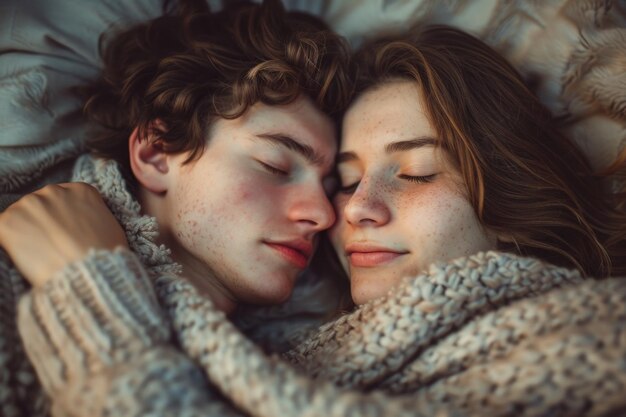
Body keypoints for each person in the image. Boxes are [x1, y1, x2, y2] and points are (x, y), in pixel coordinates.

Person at [3, 25, 626, 417]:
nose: (342, 210)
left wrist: (88, 293)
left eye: (414, 172)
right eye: (347, 179)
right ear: (155, 152)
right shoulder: (281, 356)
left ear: (513, 193)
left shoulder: (589, 338)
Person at [0, 0, 353, 416]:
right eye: (275, 166)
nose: (324, 215)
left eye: (334, 188)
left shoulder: (314, 368)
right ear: (156, 154)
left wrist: (91, 290)